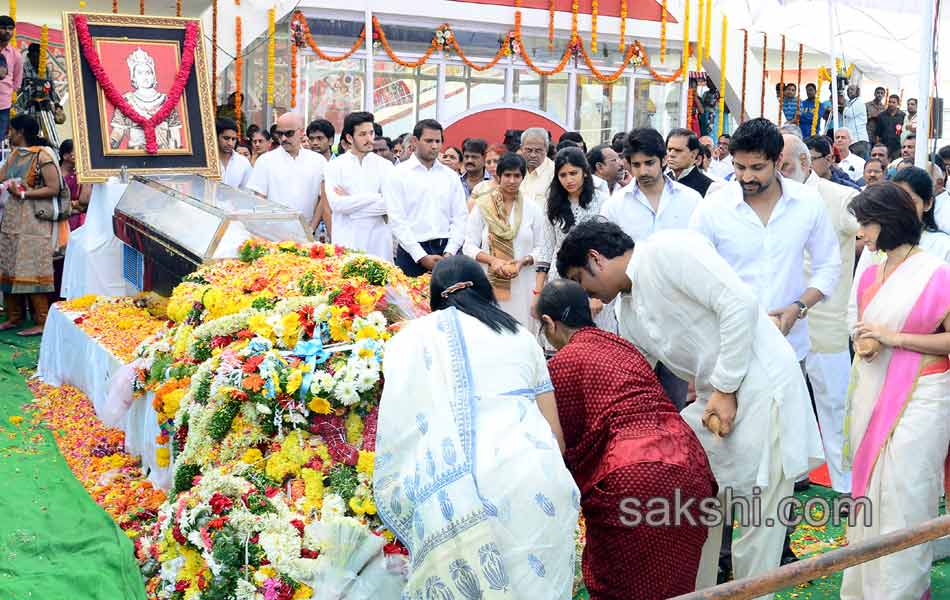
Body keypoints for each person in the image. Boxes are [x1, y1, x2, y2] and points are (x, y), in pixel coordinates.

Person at [556, 220, 824, 597]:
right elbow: (636, 374)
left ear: (595, 259)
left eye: (579, 280)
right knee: (693, 503)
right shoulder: (628, 311)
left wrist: (725, 388)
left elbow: (739, 304)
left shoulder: (668, 250)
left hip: (760, 384)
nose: (587, 295)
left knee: (757, 523)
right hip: (714, 402)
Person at [373, 255, 579, 600]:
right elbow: (555, 438)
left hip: (458, 497)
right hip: (533, 479)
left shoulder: (407, 341)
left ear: (434, 296)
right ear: (486, 290)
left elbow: (401, 423)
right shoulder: (519, 335)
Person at [538, 279, 717, 599]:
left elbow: (562, 447)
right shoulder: (621, 346)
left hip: (632, 478)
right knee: (677, 586)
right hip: (690, 465)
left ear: (550, 324)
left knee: (620, 588)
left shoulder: (562, 366)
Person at [841, 183, 950, 600]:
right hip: (873, 390)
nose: (861, 235)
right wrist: (869, 342)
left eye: (866, 225)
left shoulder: (937, 274)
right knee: (871, 495)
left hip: (924, 395)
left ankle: (903, 591)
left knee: (905, 497)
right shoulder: (869, 272)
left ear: (887, 224)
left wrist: (895, 338)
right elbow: (862, 326)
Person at [779, 133, 859, 496]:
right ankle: (794, 477)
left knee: (835, 407)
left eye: (785, 165)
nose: (780, 172)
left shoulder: (839, 198)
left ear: (806, 163)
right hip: (780, 326)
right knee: (785, 408)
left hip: (826, 324)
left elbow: (876, 238)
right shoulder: (767, 199)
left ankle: (846, 487)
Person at [602, 127, 701, 410]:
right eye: (636, 164)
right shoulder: (615, 206)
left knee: (674, 398)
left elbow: (700, 251)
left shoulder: (691, 201)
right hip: (635, 311)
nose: (643, 170)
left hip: (679, 312)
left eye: (649, 163)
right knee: (636, 395)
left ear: (663, 160)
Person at [536, 147, 614, 333]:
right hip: (560, 280)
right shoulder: (552, 203)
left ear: (585, 172)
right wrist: (538, 293)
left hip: (595, 278)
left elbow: (608, 248)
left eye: (573, 173)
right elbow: (546, 249)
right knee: (563, 338)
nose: (569, 180)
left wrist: (599, 295)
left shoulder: (603, 201)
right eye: (563, 175)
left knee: (597, 341)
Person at [0, 115, 65, 336]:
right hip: (11, 219)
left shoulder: (43, 155)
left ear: (21, 132)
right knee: (8, 264)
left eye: (11, 130)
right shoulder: (15, 155)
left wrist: (24, 193)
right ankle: (14, 317)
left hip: (34, 220)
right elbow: (2, 178)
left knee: (33, 266)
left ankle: (42, 320)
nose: (8, 134)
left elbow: (54, 188)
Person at [464, 153, 544, 327]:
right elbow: (468, 246)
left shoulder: (533, 209)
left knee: (522, 330)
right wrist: (493, 261)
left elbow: (542, 247)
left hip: (523, 282)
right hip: (489, 281)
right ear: (498, 176)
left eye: (517, 175)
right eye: (507, 175)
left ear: (523, 178)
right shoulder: (483, 206)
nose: (512, 180)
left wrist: (523, 261)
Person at [385, 118, 468, 277]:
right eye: (429, 141)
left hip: (446, 251)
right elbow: (396, 220)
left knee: (448, 301)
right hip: (411, 254)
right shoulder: (398, 174)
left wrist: (450, 253)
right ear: (415, 141)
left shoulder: (450, 177)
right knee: (410, 301)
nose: (435, 146)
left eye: (438, 141)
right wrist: (420, 256)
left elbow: (460, 217)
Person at [321, 111, 393, 261]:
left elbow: (391, 204)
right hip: (347, 243)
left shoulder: (385, 166)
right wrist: (376, 197)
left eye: (371, 133)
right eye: (362, 134)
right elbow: (337, 205)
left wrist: (351, 203)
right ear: (349, 137)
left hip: (378, 244)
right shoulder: (335, 166)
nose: (369, 139)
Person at [246, 111, 326, 228]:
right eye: (279, 134)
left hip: (307, 234)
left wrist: (311, 229)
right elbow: (259, 200)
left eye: (289, 133)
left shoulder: (318, 161)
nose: (283, 138)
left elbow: (323, 200)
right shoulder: (265, 161)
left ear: (301, 132)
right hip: (273, 234)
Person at [109, 48, 182, 150]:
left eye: (148, 72)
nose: (145, 76)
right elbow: (118, 131)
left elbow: (175, 135)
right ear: (133, 77)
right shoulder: (126, 101)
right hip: (135, 157)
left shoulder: (166, 101)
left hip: (164, 156)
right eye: (140, 73)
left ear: (153, 76)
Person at [666, 128, 713, 196]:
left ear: (693, 154)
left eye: (678, 150)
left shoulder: (709, 187)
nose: (671, 154)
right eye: (669, 149)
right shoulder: (662, 181)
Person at [58, 139, 91, 231]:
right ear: (65, 156)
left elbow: (84, 203)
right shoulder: (54, 175)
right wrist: (75, 206)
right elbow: (54, 204)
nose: (81, 155)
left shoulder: (79, 174)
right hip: (58, 221)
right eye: (76, 152)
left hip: (78, 223)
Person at [519, 128, 555, 208]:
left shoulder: (555, 172)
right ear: (521, 148)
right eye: (528, 150)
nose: (533, 155)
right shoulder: (515, 171)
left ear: (546, 149)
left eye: (538, 151)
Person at [0, 16, 20, 143]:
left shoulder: (16, 55)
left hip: (3, 104)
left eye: (10, 29)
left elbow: (17, 82)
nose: (7, 31)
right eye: (3, 28)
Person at [216, 117, 251, 189]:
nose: (230, 143)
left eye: (233, 139)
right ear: (216, 137)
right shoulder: (207, 162)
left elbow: (247, 192)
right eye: (226, 138)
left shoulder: (243, 162)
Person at [874, 94, 906, 160]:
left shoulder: (903, 116)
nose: (891, 104)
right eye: (890, 102)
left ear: (898, 103)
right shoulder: (881, 116)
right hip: (884, 146)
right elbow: (878, 133)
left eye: (893, 102)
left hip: (898, 147)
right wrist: (878, 146)